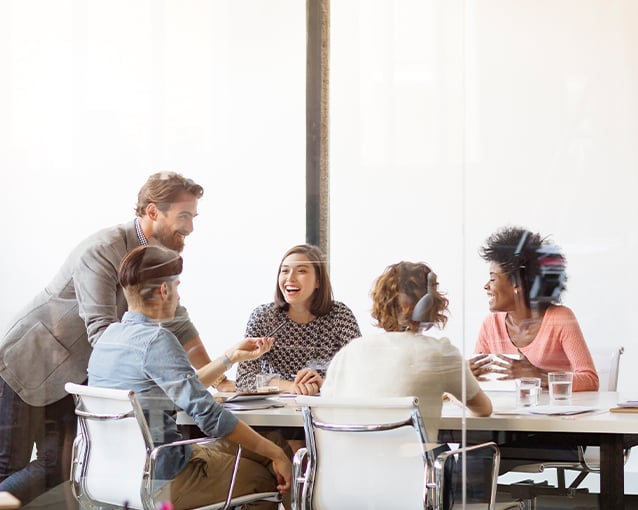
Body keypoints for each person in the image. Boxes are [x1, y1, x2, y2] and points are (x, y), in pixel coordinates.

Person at [0, 172, 220, 504]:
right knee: (10, 465)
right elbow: (102, 332)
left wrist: (219, 377)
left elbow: (179, 319)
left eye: (193, 216)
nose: (190, 227)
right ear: (152, 211)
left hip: (74, 375)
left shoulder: (156, 257)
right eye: (184, 216)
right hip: (29, 364)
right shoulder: (103, 250)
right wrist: (155, 371)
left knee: (61, 468)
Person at [88, 245, 291, 509]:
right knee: (270, 473)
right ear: (164, 290)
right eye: (177, 287)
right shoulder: (157, 340)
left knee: (271, 443)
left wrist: (229, 357)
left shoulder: (109, 339)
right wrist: (276, 455)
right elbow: (210, 416)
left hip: (113, 476)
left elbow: (180, 390)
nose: (178, 295)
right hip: (165, 477)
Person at [321, 261, 492, 446]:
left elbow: (326, 410)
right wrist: (452, 393)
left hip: (350, 469)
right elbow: (483, 409)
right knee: (478, 446)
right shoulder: (441, 354)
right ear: (430, 305)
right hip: (414, 470)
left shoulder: (350, 351)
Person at [469, 226, 598, 391]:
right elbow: (480, 383)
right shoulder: (490, 324)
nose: (486, 286)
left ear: (516, 282)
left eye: (493, 279)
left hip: (555, 414)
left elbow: (590, 380)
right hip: (508, 414)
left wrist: (538, 375)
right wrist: (467, 376)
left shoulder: (560, 318)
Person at [231, 244, 361, 395]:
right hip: (276, 411)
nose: (290, 278)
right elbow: (244, 379)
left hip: (327, 407)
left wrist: (324, 383)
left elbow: (361, 375)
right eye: (284, 271)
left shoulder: (340, 315)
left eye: (301, 271)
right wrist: (291, 386)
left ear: (318, 281)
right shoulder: (263, 317)